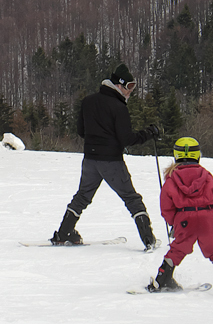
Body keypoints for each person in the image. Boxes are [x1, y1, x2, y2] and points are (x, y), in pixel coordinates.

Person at [50, 64, 161, 250]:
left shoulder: (88, 101)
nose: (130, 92)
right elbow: (127, 139)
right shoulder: (119, 107)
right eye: (129, 86)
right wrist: (149, 133)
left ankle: (63, 233)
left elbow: (81, 131)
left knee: (82, 196)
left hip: (90, 160)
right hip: (111, 161)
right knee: (131, 198)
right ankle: (148, 240)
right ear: (119, 85)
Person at [146, 136, 213, 293]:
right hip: (208, 216)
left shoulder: (171, 179)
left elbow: (166, 207)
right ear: (198, 155)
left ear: (176, 155)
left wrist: (174, 223)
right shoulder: (206, 176)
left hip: (184, 218)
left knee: (177, 249)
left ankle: (163, 279)